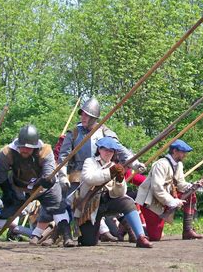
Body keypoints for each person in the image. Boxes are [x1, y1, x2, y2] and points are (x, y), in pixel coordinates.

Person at [57, 97, 145, 241]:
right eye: (82, 114)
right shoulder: (73, 133)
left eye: (87, 115)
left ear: (94, 118)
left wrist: (134, 163)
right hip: (80, 177)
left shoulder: (104, 131)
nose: (83, 117)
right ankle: (69, 233)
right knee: (70, 203)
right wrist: (61, 176)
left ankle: (132, 231)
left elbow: (121, 150)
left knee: (119, 198)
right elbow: (63, 157)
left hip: (105, 174)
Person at [0, 124, 75, 247]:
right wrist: (7, 191)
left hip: (43, 187)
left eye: (29, 147)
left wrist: (45, 181)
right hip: (18, 186)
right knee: (5, 209)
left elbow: (50, 175)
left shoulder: (45, 151)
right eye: (23, 147)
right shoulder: (7, 153)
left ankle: (67, 236)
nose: (25, 150)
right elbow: (1, 175)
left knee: (58, 204)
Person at [74, 136, 152, 248]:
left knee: (128, 202)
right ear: (99, 149)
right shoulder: (90, 162)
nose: (108, 153)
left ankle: (141, 237)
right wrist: (110, 172)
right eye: (105, 149)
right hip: (91, 204)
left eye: (111, 151)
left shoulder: (115, 166)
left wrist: (120, 180)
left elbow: (119, 193)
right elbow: (89, 178)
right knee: (88, 242)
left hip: (109, 201)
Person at [135, 139, 203, 241]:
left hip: (164, 198)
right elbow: (157, 188)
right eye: (182, 152)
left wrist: (195, 185)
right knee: (155, 237)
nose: (185, 155)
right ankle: (130, 227)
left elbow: (181, 185)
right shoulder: (160, 164)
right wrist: (172, 202)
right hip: (151, 201)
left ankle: (187, 230)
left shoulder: (179, 165)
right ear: (174, 151)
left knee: (190, 193)